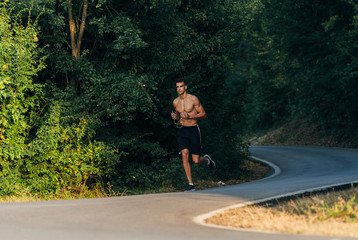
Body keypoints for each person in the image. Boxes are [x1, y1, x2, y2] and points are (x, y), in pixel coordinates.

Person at [171, 79, 216, 192]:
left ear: (185, 87)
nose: (179, 88)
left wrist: (190, 117)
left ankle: (207, 160)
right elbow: (177, 115)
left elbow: (203, 114)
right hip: (182, 130)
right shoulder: (175, 102)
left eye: (181, 86)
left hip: (193, 129)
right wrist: (175, 117)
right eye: (177, 87)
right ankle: (190, 184)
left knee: (195, 160)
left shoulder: (193, 99)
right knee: (184, 154)